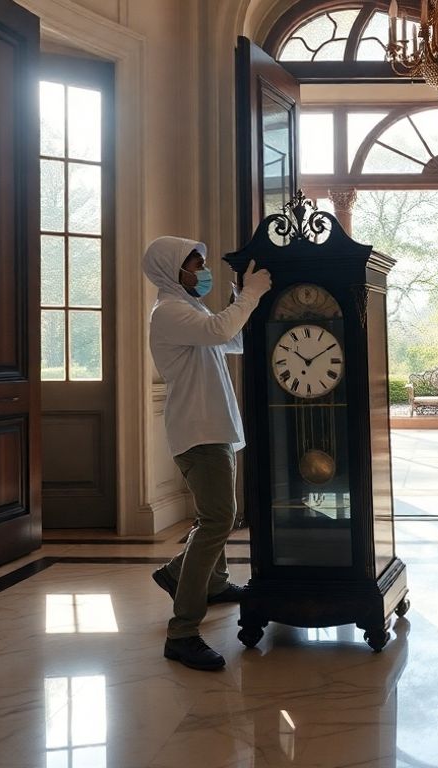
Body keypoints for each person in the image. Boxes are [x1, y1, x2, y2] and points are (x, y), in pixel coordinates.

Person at [142, 235, 271, 670]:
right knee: (218, 518)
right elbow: (220, 330)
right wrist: (251, 295)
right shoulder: (169, 312)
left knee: (216, 516)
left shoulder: (190, 309)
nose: (202, 272)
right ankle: (182, 632)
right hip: (198, 431)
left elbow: (230, 341)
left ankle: (209, 582)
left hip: (211, 427)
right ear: (172, 269)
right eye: (195, 265)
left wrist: (238, 302)